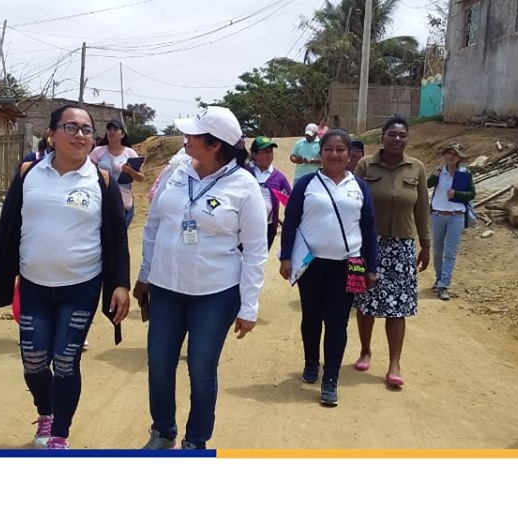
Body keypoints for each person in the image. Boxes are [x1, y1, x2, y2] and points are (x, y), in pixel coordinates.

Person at [0, 104, 131, 450]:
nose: (80, 135)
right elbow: (6, 225)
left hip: (81, 287)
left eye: (87, 129)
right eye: (71, 128)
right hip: (34, 286)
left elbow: (118, 237)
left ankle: (59, 433)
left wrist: (120, 284)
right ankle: (45, 413)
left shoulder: (102, 180)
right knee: (33, 363)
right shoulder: (28, 173)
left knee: (65, 361)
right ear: (52, 134)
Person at [133, 106, 267, 450]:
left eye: (193, 134)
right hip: (166, 288)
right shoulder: (177, 170)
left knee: (201, 368)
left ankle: (195, 441)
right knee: (159, 363)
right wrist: (145, 274)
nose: (185, 138)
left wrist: (249, 307)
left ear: (215, 145)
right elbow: (153, 224)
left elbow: (255, 250)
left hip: (215, 294)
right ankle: (163, 432)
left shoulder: (244, 186)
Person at [279, 129, 378, 406]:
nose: (334, 154)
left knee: (337, 322)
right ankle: (311, 361)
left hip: (350, 264)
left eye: (340, 149)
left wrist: (372, 266)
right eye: (328, 149)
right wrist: (286, 257)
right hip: (311, 265)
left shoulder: (359, 187)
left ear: (349, 155)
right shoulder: (306, 184)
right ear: (320, 153)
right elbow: (291, 220)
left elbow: (369, 227)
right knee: (311, 318)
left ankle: (330, 379)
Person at [352, 116, 431, 387]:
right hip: (366, 245)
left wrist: (426, 245)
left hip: (402, 247)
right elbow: (351, 203)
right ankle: (365, 350)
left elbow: (422, 209)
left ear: (407, 139)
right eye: (392, 134)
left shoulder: (417, 168)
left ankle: (394, 363)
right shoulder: (365, 165)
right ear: (382, 137)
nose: (397, 139)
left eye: (402, 135)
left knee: (398, 307)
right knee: (365, 302)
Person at [428, 142, 476, 301]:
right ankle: (439, 278)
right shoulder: (439, 172)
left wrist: (457, 194)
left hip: (456, 216)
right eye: (448, 153)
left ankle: (444, 285)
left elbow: (471, 194)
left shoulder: (464, 173)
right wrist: (436, 174)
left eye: (454, 154)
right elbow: (427, 185)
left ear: (459, 158)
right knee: (437, 250)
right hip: (438, 215)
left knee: (450, 251)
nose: (451, 157)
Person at [90, 119, 145, 227]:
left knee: (120, 232)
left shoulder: (130, 153)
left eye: (115, 129)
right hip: (102, 198)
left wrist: (129, 170)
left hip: (123, 200)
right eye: (109, 129)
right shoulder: (97, 152)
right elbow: (88, 170)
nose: (112, 132)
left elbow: (141, 178)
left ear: (122, 134)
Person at [247, 136, 292, 250]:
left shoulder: (279, 177)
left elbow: (291, 200)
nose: (269, 155)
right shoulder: (244, 171)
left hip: (268, 228)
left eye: (270, 151)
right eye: (265, 152)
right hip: (244, 227)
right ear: (255, 154)